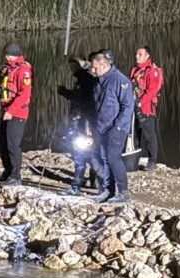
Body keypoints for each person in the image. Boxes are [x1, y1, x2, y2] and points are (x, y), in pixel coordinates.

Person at [57, 54, 108, 196]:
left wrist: (65, 93)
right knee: (81, 155)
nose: (71, 68)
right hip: (81, 121)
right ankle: (80, 185)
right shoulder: (83, 79)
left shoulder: (86, 79)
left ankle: (102, 186)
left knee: (90, 156)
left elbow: (85, 102)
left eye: (74, 65)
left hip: (85, 122)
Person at [0, 42, 32, 187]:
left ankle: (15, 176)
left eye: (9, 55)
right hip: (5, 111)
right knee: (3, 142)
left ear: (15, 55)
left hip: (17, 113)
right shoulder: (6, 69)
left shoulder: (24, 70)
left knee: (12, 144)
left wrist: (11, 111)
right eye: (6, 54)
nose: (7, 57)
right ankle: (7, 172)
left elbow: (25, 94)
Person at [89, 49, 135, 203]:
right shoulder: (99, 80)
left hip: (116, 128)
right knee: (104, 159)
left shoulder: (119, 80)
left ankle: (123, 192)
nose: (92, 70)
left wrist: (118, 127)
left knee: (113, 158)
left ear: (103, 65)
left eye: (95, 67)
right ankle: (108, 190)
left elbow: (127, 106)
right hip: (101, 127)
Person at [130, 46, 163, 170]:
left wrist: (140, 103)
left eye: (140, 54)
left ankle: (152, 161)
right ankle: (134, 159)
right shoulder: (135, 70)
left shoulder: (153, 71)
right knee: (135, 135)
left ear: (147, 56)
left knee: (149, 135)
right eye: (136, 53)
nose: (137, 56)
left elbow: (152, 91)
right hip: (134, 107)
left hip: (146, 109)